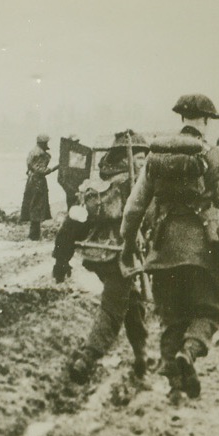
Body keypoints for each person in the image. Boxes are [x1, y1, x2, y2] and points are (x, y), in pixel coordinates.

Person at [120, 94, 219, 402]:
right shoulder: (213, 156)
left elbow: (134, 207)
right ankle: (188, 354)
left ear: (182, 119)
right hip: (201, 253)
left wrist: (127, 242)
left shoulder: (156, 155)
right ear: (205, 120)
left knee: (172, 319)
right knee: (208, 312)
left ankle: (177, 388)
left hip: (162, 251)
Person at [53, 130, 151, 382]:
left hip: (100, 257)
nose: (143, 163)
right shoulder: (127, 186)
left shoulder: (99, 186)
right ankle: (85, 360)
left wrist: (61, 258)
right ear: (126, 158)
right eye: (140, 158)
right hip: (120, 257)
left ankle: (141, 356)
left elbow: (74, 220)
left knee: (133, 302)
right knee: (113, 309)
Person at [21, 134, 58, 240]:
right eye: (46, 143)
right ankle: (34, 235)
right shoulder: (39, 153)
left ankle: (34, 234)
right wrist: (55, 168)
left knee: (34, 205)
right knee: (36, 206)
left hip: (33, 181)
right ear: (42, 143)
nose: (47, 145)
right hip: (37, 182)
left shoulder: (34, 151)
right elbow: (40, 169)